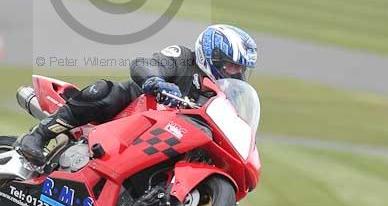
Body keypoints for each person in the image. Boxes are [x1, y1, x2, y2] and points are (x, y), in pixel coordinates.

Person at [15, 24, 257, 165]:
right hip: (135, 111)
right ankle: (37, 137)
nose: (235, 73)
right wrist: (156, 82)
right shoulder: (184, 57)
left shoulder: (224, 96)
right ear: (211, 56)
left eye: (240, 68)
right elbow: (146, 64)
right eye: (230, 65)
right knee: (106, 92)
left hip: (166, 139)